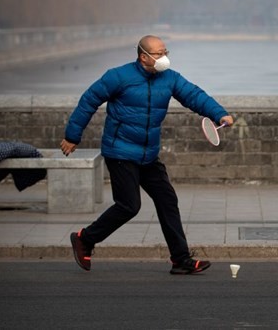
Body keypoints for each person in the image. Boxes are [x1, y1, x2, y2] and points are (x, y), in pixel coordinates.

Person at [60, 35, 234, 274]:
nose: (165, 58)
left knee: (167, 200)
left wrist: (219, 114)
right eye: (159, 53)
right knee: (129, 206)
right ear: (144, 56)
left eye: (166, 52)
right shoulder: (118, 76)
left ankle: (181, 259)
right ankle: (85, 239)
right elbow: (89, 100)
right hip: (120, 151)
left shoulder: (170, 79)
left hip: (148, 155)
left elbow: (194, 95)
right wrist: (72, 136)